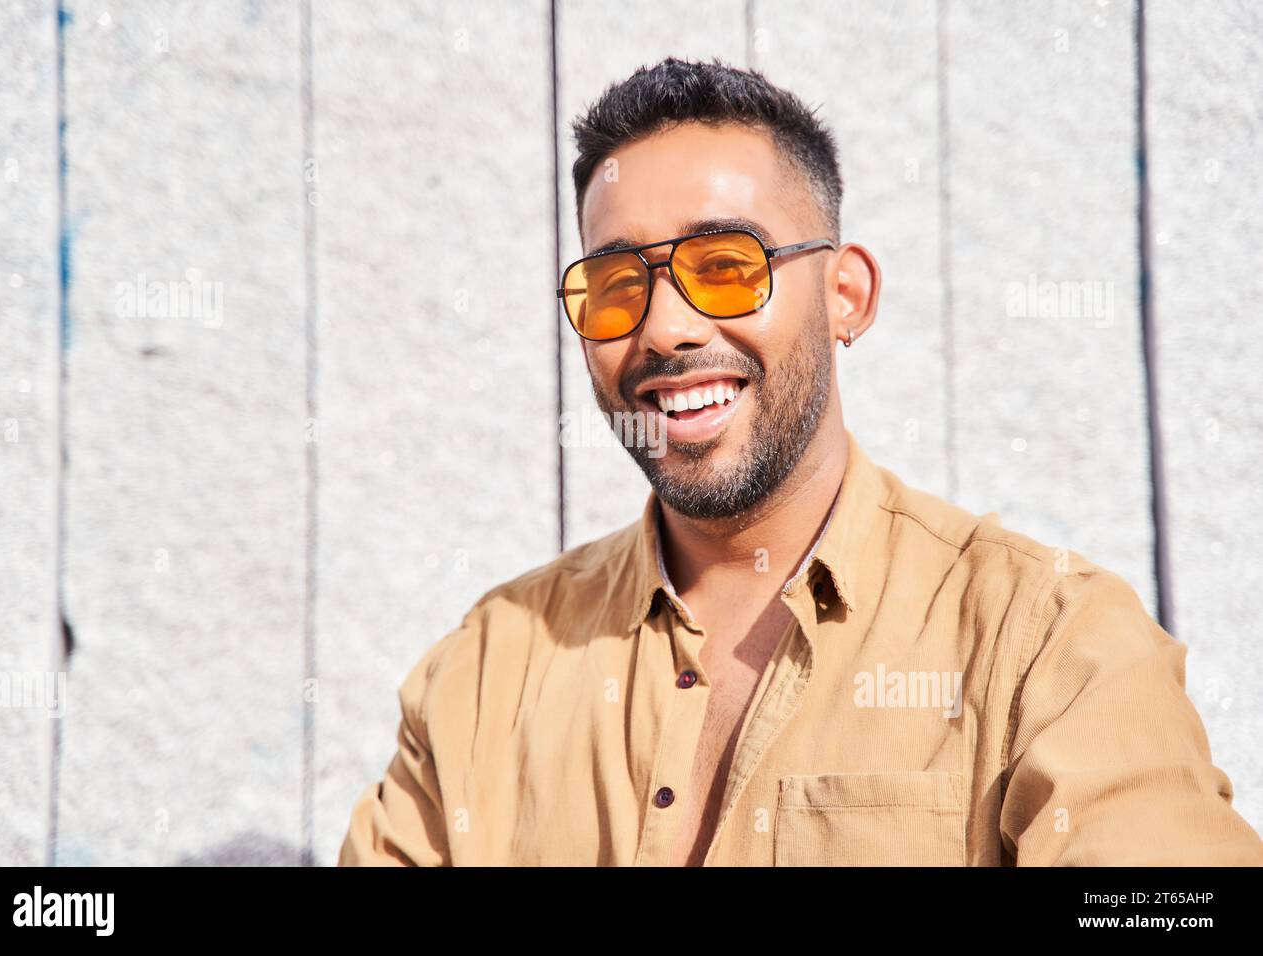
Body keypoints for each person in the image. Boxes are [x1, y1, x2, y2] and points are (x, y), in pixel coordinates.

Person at [338, 57, 1263, 866]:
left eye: (727, 264)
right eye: (618, 285)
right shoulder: (487, 671)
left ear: (846, 296)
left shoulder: (1045, 643)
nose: (665, 328)